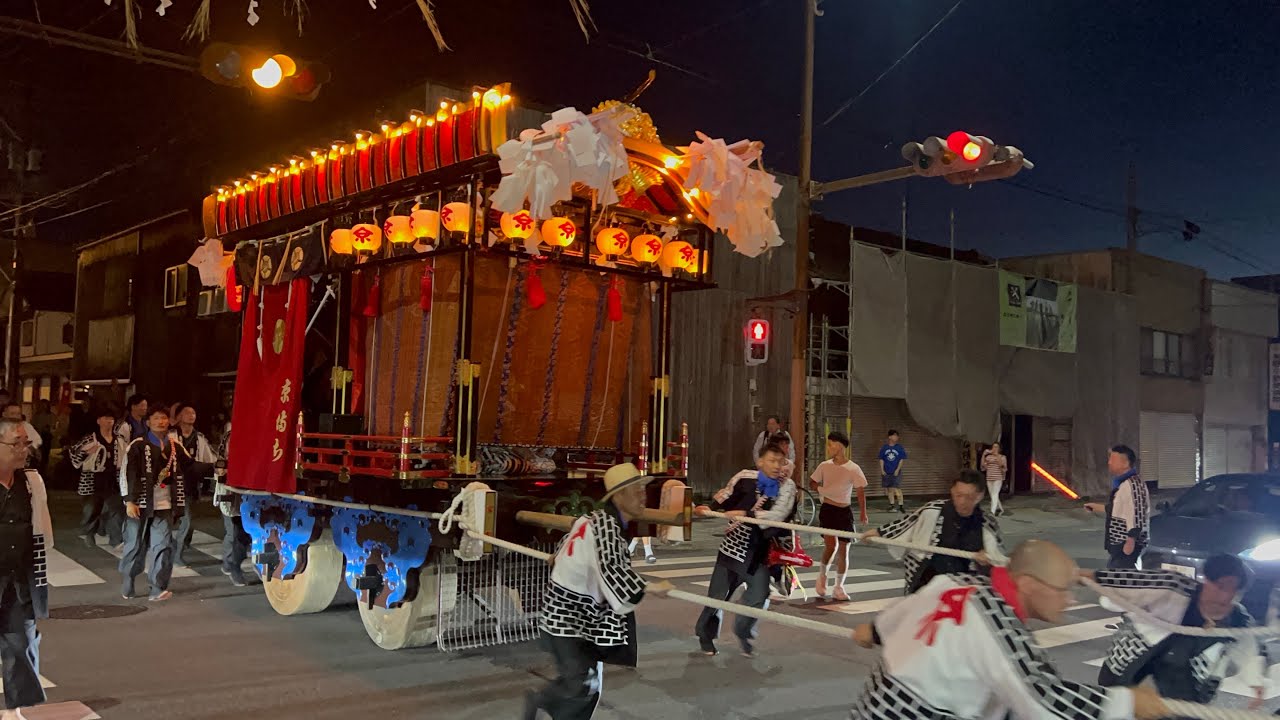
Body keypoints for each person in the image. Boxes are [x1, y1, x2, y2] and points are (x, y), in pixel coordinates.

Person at [850, 540, 1168, 720]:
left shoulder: (956, 582)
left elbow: (901, 613)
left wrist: (874, 631)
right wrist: (1126, 705)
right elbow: (1042, 699)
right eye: (1062, 589)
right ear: (1027, 584)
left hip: (872, 706)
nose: (1070, 600)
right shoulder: (998, 624)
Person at [524, 463, 672, 720]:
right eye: (635, 490)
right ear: (617, 496)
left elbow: (569, 543)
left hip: (578, 614)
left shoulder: (592, 517)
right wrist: (650, 587)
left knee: (586, 685)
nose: (643, 496)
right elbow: (611, 568)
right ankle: (540, 700)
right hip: (569, 617)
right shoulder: (608, 527)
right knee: (581, 683)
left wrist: (556, 556)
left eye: (642, 489)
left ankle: (546, 703)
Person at [1087, 555, 1265, 708]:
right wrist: (1089, 579)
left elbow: (1248, 648)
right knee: (1115, 706)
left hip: (1183, 670)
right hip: (1138, 655)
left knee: (1185, 713)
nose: (1226, 596)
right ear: (1206, 580)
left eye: (1233, 589)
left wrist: (1256, 682)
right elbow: (1130, 584)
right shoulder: (1175, 587)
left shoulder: (1237, 618)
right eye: (1220, 586)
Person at [693, 443, 795, 657]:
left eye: (780, 461)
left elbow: (777, 517)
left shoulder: (787, 487)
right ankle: (706, 636)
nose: (776, 466)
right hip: (734, 546)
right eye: (771, 460)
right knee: (716, 596)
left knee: (759, 595)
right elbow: (725, 494)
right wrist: (709, 508)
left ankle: (743, 631)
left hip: (761, 552)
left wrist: (747, 513)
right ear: (760, 461)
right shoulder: (745, 477)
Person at [120, 407, 213, 601]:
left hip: (165, 504)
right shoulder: (138, 445)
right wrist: (129, 501)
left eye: (163, 418)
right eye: (156, 418)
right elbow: (127, 473)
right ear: (148, 423)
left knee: (162, 545)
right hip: (141, 504)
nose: (161, 422)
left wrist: (217, 468)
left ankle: (157, 587)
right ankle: (128, 578)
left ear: (169, 422)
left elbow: (191, 466)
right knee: (135, 545)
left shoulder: (174, 446)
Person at [862, 471, 1006, 595]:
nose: (962, 501)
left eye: (969, 497)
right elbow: (907, 523)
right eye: (958, 495)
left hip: (965, 588)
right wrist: (878, 533)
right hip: (927, 580)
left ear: (979, 496)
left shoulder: (987, 523)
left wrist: (987, 561)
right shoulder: (933, 509)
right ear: (952, 491)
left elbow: (1000, 560)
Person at [0, 419, 53, 719]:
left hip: (18, 579)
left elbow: (41, 530)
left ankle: (13, 709)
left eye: (25, 443)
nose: (23, 449)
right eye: (15, 443)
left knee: (21, 642)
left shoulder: (31, 481)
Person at [809, 430, 868, 600]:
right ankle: (822, 576)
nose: (828, 447)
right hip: (828, 510)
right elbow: (812, 482)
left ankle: (839, 587)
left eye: (831, 444)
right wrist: (820, 489)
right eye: (828, 444)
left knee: (844, 549)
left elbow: (860, 491)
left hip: (844, 512)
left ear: (841, 445)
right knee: (830, 546)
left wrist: (863, 513)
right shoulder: (824, 465)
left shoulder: (853, 468)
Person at [68, 405, 125, 549]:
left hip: (113, 479)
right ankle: (88, 532)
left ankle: (116, 539)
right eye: (106, 418)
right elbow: (74, 455)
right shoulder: (90, 439)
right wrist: (86, 453)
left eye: (111, 419)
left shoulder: (119, 440)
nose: (109, 421)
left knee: (116, 510)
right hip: (93, 479)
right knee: (92, 509)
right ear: (99, 421)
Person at [1083, 444, 1149, 569]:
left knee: (1121, 578)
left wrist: (1131, 541)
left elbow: (1138, 514)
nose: (1109, 463)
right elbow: (1116, 510)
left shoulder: (1134, 485)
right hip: (1120, 543)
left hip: (1126, 544)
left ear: (1125, 463)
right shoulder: (1123, 483)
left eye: (1113, 460)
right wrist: (1095, 507)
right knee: (1117, 575)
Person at [171, 405, 216, 567]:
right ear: (178, 417)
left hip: (191, 483)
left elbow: (209, 459)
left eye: (193, 413)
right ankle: (175, 550)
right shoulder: (171, 436)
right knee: (174, 519)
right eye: (187, 413)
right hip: (172, 483)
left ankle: (179, 549)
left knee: (189, 519)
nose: (191, 416)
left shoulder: (199, 438)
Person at [211, 427, 250, 586]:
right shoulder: (224, 456)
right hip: (231, 496)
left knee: (244, 534)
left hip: (247, 494)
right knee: (234, 534)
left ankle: (232, 564)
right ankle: (233, 567)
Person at [878, 430, 908, 513]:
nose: (896, 437)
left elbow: (901, 460)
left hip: (896, 471)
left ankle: (901, 505)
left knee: (897, 488)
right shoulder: (884, 448)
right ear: (890, 437)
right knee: (889, 489)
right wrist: (882, 470)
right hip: (887, 471)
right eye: (894, 435)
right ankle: (892, 505)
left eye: (897, 436)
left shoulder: (899, 448)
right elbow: (881, 459)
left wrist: (897, 470)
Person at [981, 442, 1008, 516]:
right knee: (992, 495)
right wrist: (984, 454)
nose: (994, 448)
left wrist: (996, 456)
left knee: (995, 494)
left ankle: (992, 512)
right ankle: (1001, 509)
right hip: (989, 478)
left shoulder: (1002, 457)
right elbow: (983, 466)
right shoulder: (988, 457)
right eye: (993, 447)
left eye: (996, 447)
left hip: (998, 478)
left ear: (999, 449)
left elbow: (1002, 467)